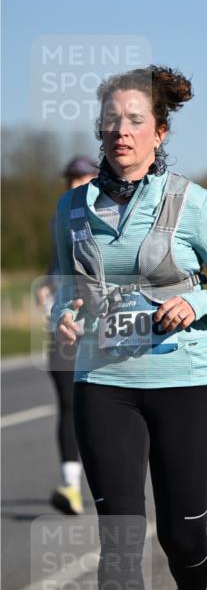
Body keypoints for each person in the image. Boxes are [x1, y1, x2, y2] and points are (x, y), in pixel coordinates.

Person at [53, 65, 207, 590]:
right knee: (118, 535)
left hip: (187, 380)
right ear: (100, 129)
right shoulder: (71, 207)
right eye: (112, 120)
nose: (122, 130)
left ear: (159, 132)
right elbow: (67, 287)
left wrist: (198, 302)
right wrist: (64, 314)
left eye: (135, 120)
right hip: (103, 381)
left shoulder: (194, 203)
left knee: (183, 534)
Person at [36, 155, 98, 516]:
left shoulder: (108, 216)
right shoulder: (60, 217)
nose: (74, 184)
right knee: (69, 403)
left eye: (82, 178)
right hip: (63, 325)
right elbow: (57, 263)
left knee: (105, 405)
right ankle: (71, 486)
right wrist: (46, 287)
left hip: (102, 327)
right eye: (70, 179)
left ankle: (116, 482)